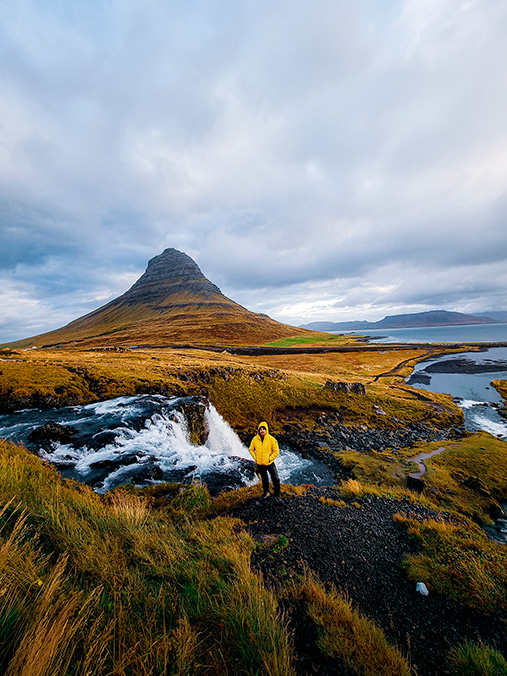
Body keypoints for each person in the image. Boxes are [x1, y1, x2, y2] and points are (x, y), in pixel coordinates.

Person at [249, 421, 281, 502]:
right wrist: (256, 458)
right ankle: (266, 493)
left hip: (269, 463)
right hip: (260, 463)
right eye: (261, 429)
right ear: (259, 430)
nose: (262, 430)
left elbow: (276, 451)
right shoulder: (255, 439)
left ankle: (277, 495)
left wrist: (270, 459)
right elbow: (251, 449)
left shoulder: (272, 439)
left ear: (266, 430)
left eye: (264, 429)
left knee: (275, 479)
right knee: (264, 479)